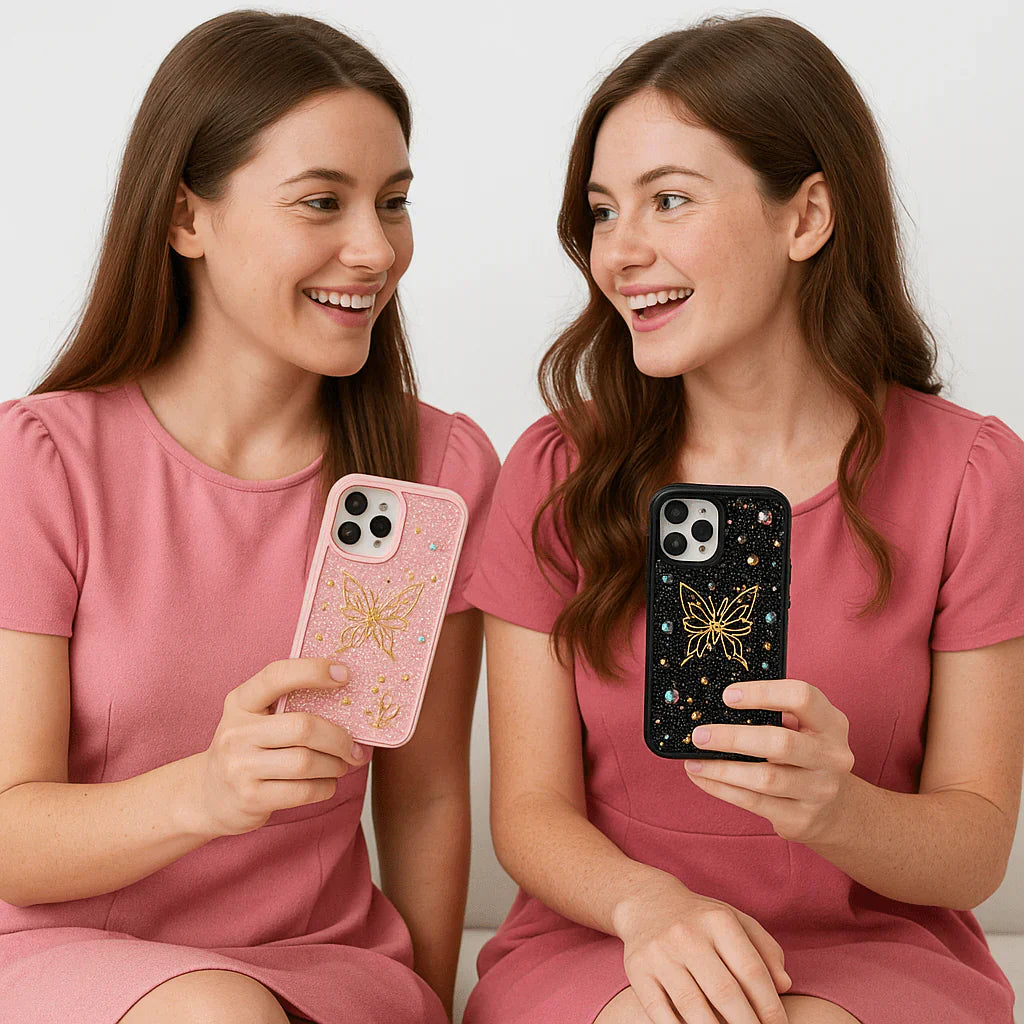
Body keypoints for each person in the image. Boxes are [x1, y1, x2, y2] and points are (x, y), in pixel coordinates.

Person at [462, 13, 1023, 1024]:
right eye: (601, 211)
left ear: (805, 217)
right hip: (612, 935)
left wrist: (838, 809)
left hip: (872, 948)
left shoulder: (971, 475)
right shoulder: (555, 471)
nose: (619, 251)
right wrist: (648, 903)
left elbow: (975, 845)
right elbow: (529, 812)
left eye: (668, 200)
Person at [0, 11, 498, 1024]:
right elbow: (12, 828)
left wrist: (428, 1002)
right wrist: (205, 794)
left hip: (323, 962)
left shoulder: (433, 469)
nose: (374, 249)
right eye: (322, 202)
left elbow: (428, 799)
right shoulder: (43, 460)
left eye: (392, 203)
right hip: (72, 951)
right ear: (186, 218)